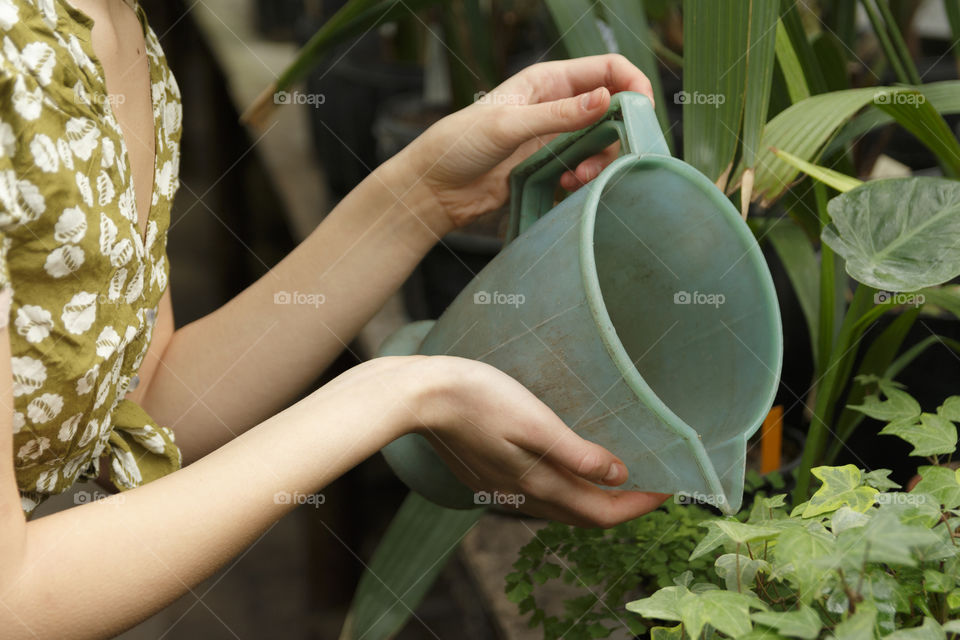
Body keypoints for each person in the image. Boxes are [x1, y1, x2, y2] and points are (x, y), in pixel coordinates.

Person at [0, 0, 668, 636]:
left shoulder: (115, 24)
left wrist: (423, 196)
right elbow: (12, 596)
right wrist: (398, 393)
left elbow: (143, 402)